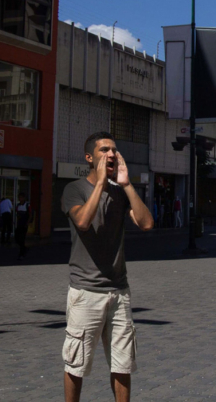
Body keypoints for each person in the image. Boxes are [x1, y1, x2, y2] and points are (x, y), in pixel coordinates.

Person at [61, 132, 154, 402]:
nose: (111, 154)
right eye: (104, 150)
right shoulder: (74, 189)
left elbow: (146, 224)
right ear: (90, 158)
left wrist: (125, 185)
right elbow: (82, 222)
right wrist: (101, 183)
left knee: (123, 364)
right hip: (85, 292)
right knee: (76, 363)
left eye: (114, 150)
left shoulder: (119, 191)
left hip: (119, 291)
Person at [14, 192, 33, 260]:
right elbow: (17, 213)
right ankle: (24, 248)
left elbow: (30, 214)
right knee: (17, 238)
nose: (20, 199)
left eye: (21, 197)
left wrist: (27, 223)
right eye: (19, 197)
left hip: (24, 224)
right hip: (19, 224)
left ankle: (22, 253)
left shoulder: (27, 205)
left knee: (22, 239)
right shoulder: (18, 205)